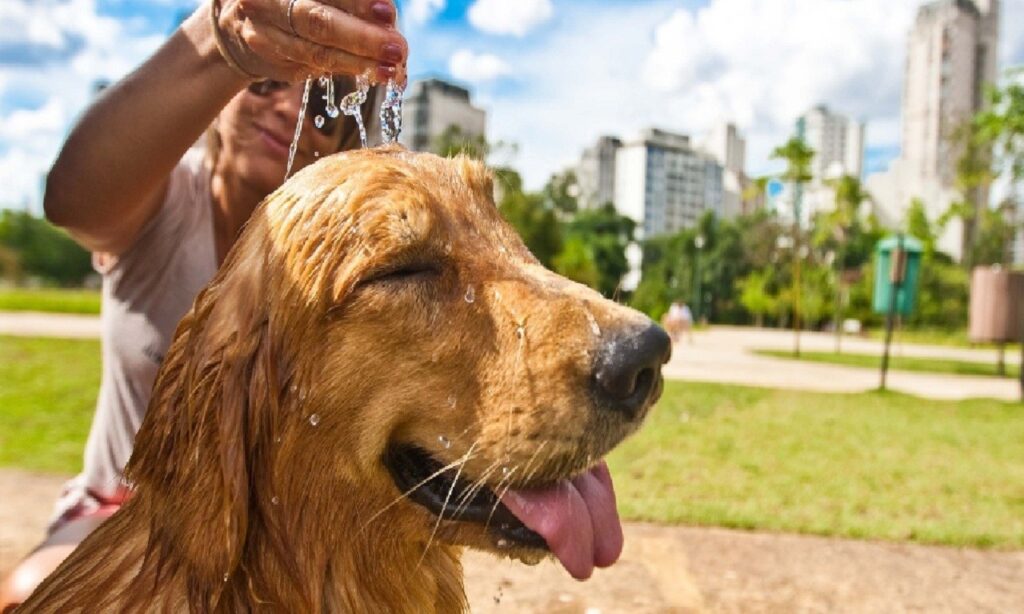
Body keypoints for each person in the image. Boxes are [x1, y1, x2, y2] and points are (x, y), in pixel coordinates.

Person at [0, 0, 408, 607]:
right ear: (217, 101)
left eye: (322, 108)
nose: (292, 107)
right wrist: (223, 40)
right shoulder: (164, 201)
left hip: (278, 528)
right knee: (37, 594)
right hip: (124, 507)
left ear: (345, 146)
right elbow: (73, 201)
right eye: (266, 80)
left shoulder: (350, 270)